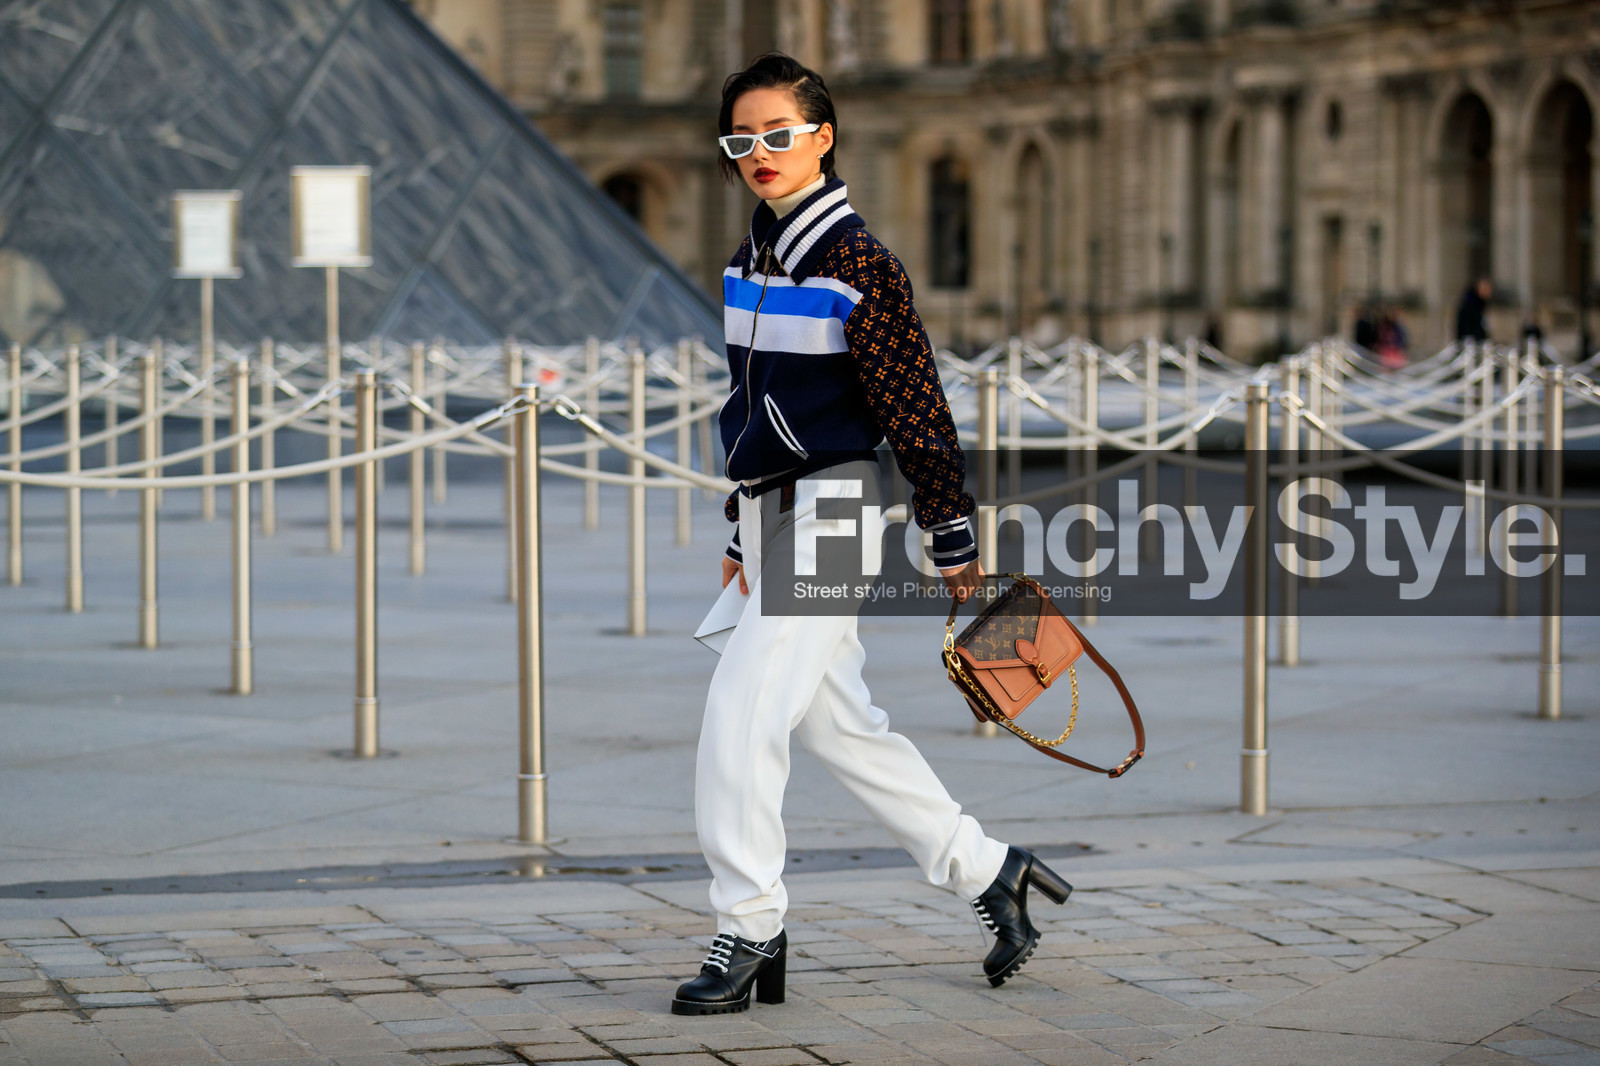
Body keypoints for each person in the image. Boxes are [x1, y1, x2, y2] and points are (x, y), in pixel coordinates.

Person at [673, 52, 1072, 1016]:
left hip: (840, 510)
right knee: (841, 726)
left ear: (823, 135)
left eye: (779, 134)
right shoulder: (744, 265)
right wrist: (739, 520)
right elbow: (746, 408)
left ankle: (750, 923)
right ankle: (991, 873)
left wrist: (953, 546)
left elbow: (918, 416)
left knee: (740, 712)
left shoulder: (862, 268)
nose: (759, 154)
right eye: (742, 140)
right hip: (773, 511)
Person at [1455, 277, 1491, 343]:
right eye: (1485, 289)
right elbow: (1467, 329)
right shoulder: (1470, 306)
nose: (1488, 292)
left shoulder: (1480, 304)